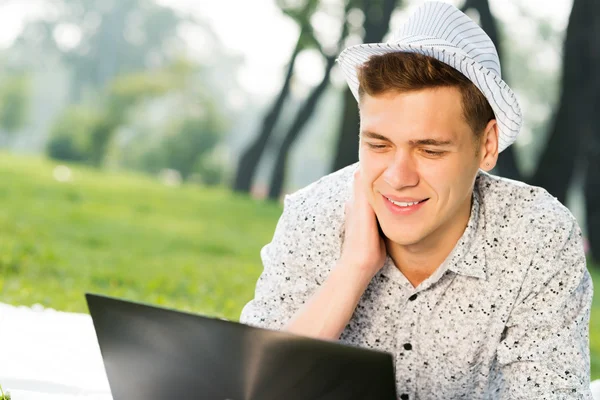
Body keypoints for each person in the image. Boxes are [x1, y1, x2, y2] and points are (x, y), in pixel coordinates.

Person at [240, 1, 594, 398]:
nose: (397, 178)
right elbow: (250, 387)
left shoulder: (537, 236)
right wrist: (353, 269)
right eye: (378, 144)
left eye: (430, 150)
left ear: (487, 146)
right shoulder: (314, 214)